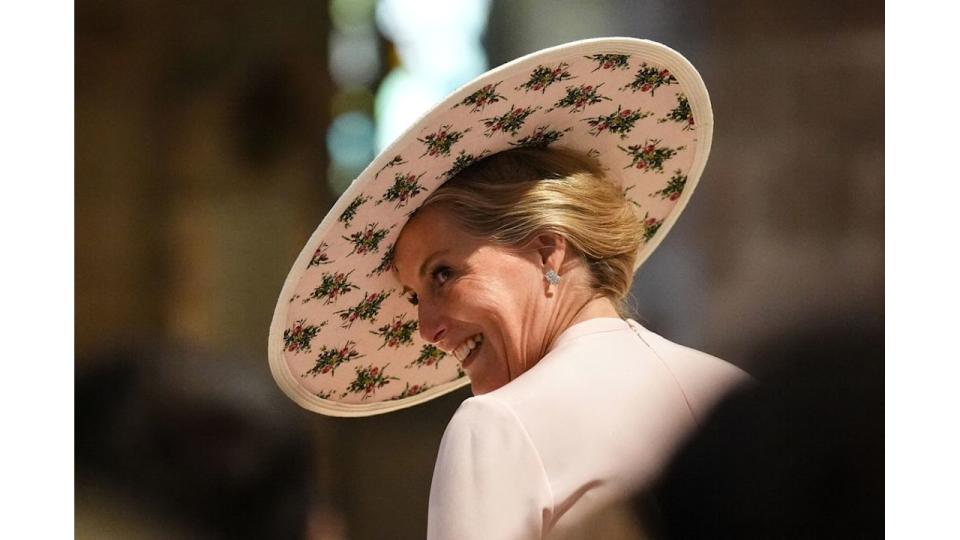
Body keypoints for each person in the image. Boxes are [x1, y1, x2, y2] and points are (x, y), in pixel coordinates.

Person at [268, 38, 750, 538]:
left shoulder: (496, 427)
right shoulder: (734, 393)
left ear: (547, 250)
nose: (426, 329)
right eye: (415, 298)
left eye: (442, 275)